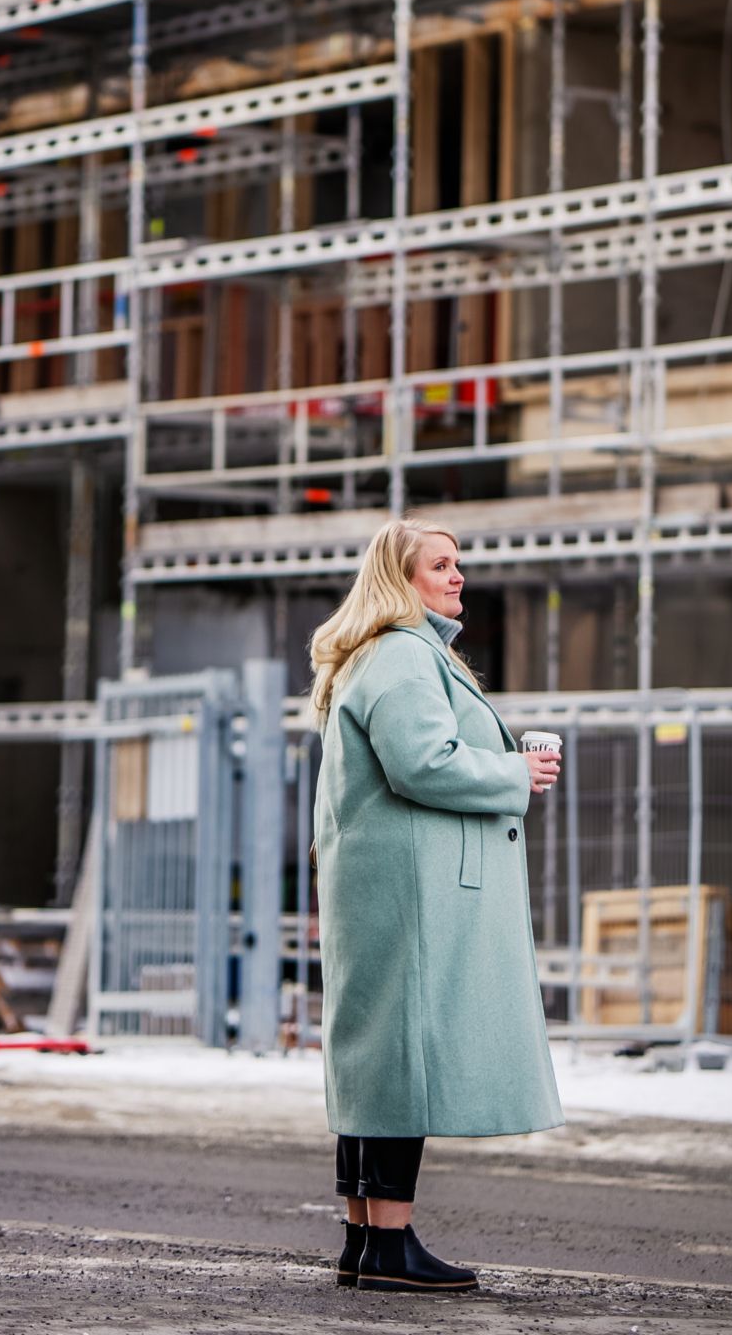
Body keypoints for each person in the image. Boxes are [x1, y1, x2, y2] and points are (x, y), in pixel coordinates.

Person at [309, 517, 563, 1294]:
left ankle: (365, 1240)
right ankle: (389, 1243)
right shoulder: (405, 658)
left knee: (375, 1063)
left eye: (458, 563)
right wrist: (516, 773)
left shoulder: (382, 657)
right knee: (404, 1065)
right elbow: (423, 762)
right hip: (412, 894)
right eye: (439, 565)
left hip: (388, 888)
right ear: (400, 578)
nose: (457, 576)